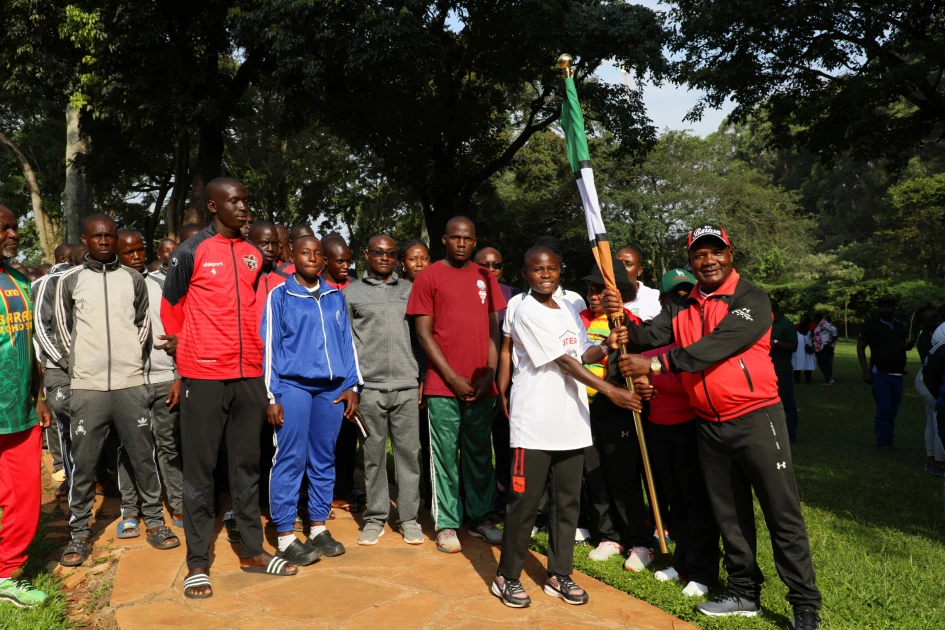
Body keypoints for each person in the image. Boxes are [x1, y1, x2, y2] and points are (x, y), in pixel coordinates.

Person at [614, 224, 822, 629]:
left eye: (716, 252)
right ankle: (744, 592)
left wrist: (658, 364)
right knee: (730, 515)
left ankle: (804, 604)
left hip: (757, 417)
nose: (708, 260)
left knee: (781, 512)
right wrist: (621, 317)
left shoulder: (751, 298)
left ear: (730, 255)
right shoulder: (683, 304)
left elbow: (718, 343)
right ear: (690, 261)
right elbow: (646, 335)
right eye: (699, 254)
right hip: (709, 424)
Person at [161, 178, 298, 599]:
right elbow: (171, 310)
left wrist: (259, 361)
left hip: (249, 377)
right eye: (233, 201)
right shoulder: (190, 252)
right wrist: (189, 359)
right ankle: (198, 562)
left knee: (247, 465)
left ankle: (253, 551)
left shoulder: (255, 255)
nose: (243, 208)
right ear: (212, 205)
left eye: (245, 201)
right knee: (201, 470)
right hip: (203, 376)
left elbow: (260, 311)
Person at [492, 245, 641, 609]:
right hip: (535, 424)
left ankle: (559, 574)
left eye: (552, 268)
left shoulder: (569, 308)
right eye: (537, 269)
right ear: (525, 273)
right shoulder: (525, 310)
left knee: (567, 504)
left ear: (560, 271)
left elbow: (581, 354)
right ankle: (506, 576)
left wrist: (606, 345)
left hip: (573, 421)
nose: (546, 274)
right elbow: (561, 362)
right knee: (524, 503)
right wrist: (610, 390)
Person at [54, 214, 177, 567]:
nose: (105, 241)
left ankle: (154, 522)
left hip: (130, 383)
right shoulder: (70, 281)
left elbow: (142, 325)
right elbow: (63, 327)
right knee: (85, 463)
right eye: (98, 236)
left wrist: (130, 363)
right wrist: (77, 368)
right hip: (88, 387)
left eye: (110, 235)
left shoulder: (133, 279)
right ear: (85, 240)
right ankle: (78, 534)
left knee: (143, 457)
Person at [407, 215, 506, 553]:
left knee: (479, 455)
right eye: (455, 237)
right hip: (443, 386)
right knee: (445, 457)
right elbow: (423, 333)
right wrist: (451, 377)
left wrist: (490, 373)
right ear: (444, 241)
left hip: (482, 386)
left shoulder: (485, 277)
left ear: (474, 241)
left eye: (468, 238)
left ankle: (480, 519)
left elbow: (495, 329)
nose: (462, 243)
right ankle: (447, 523)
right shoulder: (429, 277)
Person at [263, 235, 362, 564]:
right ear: (294, 256)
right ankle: (285, 534)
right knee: (291, 457)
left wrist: (352, 386)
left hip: (330, 390)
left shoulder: (335, 296)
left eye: (317, 254)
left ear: (323, 260)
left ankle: (317, 525)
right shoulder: (280, 295)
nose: (312, 258)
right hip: (292, 387)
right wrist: (272, 394)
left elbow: (347, 344)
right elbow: (270, 348)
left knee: (324, 457)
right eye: (305, 252)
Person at [344, 234, 424, 546]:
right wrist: (353, 385)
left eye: (390, 253)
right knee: (373, 457)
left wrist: (421, 377)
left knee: (408, 456)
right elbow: (346, 343)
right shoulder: (351, 294)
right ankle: (375, 517)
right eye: (378, 252)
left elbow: (421, 338)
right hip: (370, 390)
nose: (384, 258)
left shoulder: (410, 291)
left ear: (397, 259)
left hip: (405, 386)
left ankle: (408, 519)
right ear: (367, 255)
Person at [577, 262, 654, 573]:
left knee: (623, 476)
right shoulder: (577, 319)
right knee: (594, 473)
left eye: (600, 290)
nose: (593, 296)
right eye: (590, 290)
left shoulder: (628, 322)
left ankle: (639, 542)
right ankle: (609, 537)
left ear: (618, 295)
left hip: (617, 407)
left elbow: (641, 359)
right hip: (582, 407)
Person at [646, 280, 720, 598]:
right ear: (662, 300)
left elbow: (690, 379)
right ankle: (682, 563)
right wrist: (640, 382)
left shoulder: (696, 337)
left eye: (683, 294)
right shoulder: (655, 336)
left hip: (690, 426)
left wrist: (652, 378)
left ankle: (703, 572)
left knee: (696, 502)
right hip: (658, 428)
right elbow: (640, 372)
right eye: (671, 295)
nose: (677, 299)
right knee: (676, 501)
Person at [0, 204, 54, 608]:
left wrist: (38, 397)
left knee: (24, 497)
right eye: (3, 228)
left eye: (14, 227)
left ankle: (6, 573)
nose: (14, 234)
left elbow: (32, 347)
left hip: (19, 413)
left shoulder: (21, 280)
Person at [120, 231, 184, 528]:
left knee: (169, 442)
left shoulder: (163, 283)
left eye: (140, 250)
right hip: (126, 381)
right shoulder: (113, 287)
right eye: (128, 252)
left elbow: (179, 330)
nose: (136, 257)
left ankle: (178, 504)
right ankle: (131, 509)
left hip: (163, 377)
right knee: (130, 446)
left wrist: (178, 375)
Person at [474, 246, 520, 510]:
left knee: (505, 444)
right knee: (476, 448)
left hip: (507, 384)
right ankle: (478, 501)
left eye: (497, 265)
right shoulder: (464, 292)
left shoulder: (514, 296)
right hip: (473, 380)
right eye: (485, 265)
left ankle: (505, 499)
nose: (491, 270)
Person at [857, 296, 909, 453]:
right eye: (884, 306)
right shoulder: (871, 325)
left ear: (894, 307)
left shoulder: (900, 325)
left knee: (893, 409)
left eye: (890, 306)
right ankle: (882, 442)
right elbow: (860, 347)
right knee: (884, 408)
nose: (887, 309)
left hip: (898, 374)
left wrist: (906, 347)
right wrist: (865, 370)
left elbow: (896, 346)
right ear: (879, 308)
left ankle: (889, 439)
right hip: (880, 372)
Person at [914, 308, 945, 474]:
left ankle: (932, 460)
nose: (937, 319)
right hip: (929, 379)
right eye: (932, 317)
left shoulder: (935, 333)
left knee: (932, 421)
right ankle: (938, 464)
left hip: (926, 378)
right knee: (939, 420)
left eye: (938, 315)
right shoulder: (926, 337)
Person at [771, 301, 800, 444]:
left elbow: (794, 346)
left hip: (782, 369)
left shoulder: (786, 325)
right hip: (764, 370)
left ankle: (791, 434)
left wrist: (775, 343)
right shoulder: (761, 323)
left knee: (787, 402)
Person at [615, 245, 661, 321]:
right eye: (617, 264)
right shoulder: (601, 298)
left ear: (639, 270)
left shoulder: (655, 298)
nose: (621, 269)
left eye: (628, 264)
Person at [812, 313, 837, 385]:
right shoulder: (819, 324)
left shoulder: (823, 323)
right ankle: (828, 377)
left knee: (825, 363)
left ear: (817, 318)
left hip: (825, 346)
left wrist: (831, 341)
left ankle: (828, 379)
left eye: (814, 318)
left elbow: (833, 329)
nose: (813, 320)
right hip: (819, 347)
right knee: (821, 362)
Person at [793, 314, 815, 384]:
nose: (801, 320)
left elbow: (815, 338)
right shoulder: (796, 327)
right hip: (798, 349)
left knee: (807, 363)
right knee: (797, 363)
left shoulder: (811, 328)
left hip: (807, 348)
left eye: (803, 318)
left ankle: (808, 379)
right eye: (801, 318)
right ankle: (797, 379)